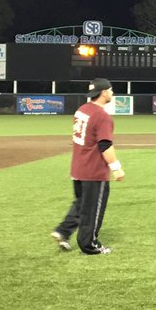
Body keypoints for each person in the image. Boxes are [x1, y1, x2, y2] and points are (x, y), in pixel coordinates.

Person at [51, 77, 124, 254]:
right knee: (92, 210)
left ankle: (63, 231)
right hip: (93, 171)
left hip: (78, 167)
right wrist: (116, 167)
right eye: (111, 90)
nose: (112, 93)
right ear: (104, 92)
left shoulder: (82, 110)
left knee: (81, 204)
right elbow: (104, 144)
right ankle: (90, 245)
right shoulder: (102, 116)